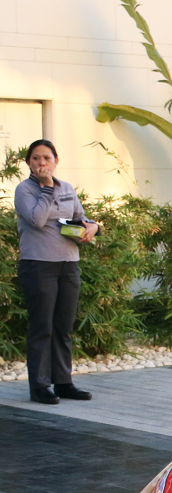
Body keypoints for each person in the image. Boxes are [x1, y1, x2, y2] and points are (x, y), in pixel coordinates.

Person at [13, 140, 97, 405]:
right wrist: (47, 189)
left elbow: (80, 217)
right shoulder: (24, 190)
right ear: (28, 163)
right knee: (42, 327)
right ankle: (39, 386)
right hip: (38, 265)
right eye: (36, 158)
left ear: (56, 161)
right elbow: (37, 219)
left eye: (46, 158)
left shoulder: (68, 188)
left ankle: (63, 382)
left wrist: (93, 227)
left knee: (63, 326)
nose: (41, 163)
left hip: (68, 264)